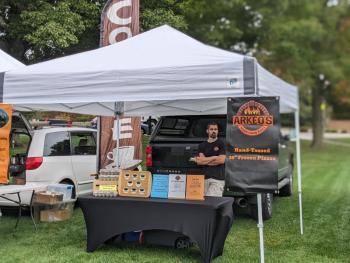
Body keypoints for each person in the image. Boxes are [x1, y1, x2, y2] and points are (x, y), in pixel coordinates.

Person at [192, 122, 226, 197]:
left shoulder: (222, 143)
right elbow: (200, 162)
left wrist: (205, 160)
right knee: (204, 203)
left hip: (217, 179)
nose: (214, 131)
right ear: (207, 131)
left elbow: (221, 160)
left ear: (217, 131)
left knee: (212, 202)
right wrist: (214, 157)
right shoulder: (202, 145)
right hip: (204, 178)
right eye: (211, 129)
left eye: (215, 129)